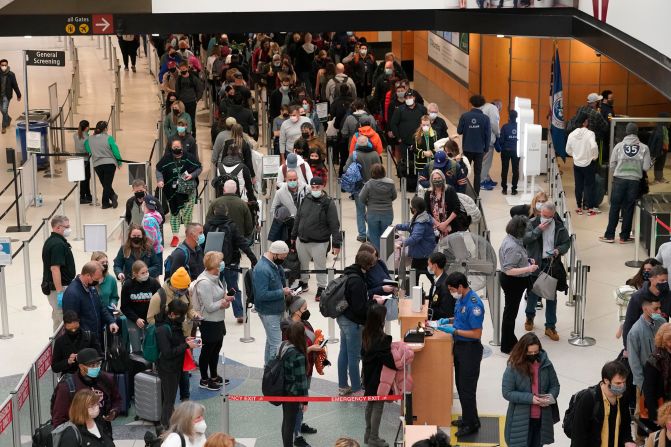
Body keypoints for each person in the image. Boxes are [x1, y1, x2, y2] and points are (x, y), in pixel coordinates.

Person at [435, 272, 485, 438]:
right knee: (461, 386)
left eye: (452, 289)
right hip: (459, 347)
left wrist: (454, 331)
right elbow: (459, 317)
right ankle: (469, 418)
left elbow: (477, 333)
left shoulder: (474, 304)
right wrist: (448, 321)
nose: (451, 292)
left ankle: (470, 425)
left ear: (461, 287)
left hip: (470, 350)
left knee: (467, 389)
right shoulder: (461, 299)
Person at [502, 333, 560, 447]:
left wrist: (549, 398)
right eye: (529, 353)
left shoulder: (546, 364)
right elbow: (507, 392)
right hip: (521, 420)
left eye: (535, 352)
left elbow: (555, 386)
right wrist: (531, 399)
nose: (533, 355)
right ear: (523, 351)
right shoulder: (513, 367)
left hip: (541, 420)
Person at [522, 202, 570, 341]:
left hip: (551, 264)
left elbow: (566, 243)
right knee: (532, 293)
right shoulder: (531, 223)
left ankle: (550, 326)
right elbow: (524, 239)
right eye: (544, 215)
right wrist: (538, 230)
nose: (546, 219)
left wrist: (558, 250)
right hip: (535, 264)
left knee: (551, 296)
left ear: (554, 215)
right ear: (540, 212)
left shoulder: (560, 227)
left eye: (549, 216)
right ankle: (529, 317)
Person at [203, 203, 258, 323]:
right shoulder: (231, 226)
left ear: (214, 213)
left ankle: (214, 310)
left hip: (213, 264)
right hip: (230, 262)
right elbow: (242, 243)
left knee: (213, 288)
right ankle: (239, 314)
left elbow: (203, 245)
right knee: (233, 287)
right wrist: (253, 258)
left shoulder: (207, 226)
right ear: (226, 213)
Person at [600, 123, 652, 244]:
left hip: (619, 180)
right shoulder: (644, 148)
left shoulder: (619, 146)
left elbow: (612, 164)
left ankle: (610, 235)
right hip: (634, 181)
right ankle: (624, 236)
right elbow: (645, 167)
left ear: (627, 132)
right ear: (637, 132)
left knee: (615, 207)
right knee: (629, 208)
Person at [51, 348, 121, 438]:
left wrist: (114, 411)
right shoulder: (67, 387)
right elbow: (58, 419)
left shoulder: (106, 379)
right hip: (79, 435)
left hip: (103, 431)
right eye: (92, 365)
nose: (96, 368)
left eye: (98, 364)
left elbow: (117, 399)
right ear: (81, 367)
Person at [291, 177, 342, 300]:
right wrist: (293, 236)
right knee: (302, 264)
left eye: (317, 187)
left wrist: (336, 243)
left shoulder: (328, 203)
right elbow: (298, 217)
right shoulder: (305, 199)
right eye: (313, 187)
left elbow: (334, 224)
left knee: (320, 266)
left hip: (319, 242)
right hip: (302, 240)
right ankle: (303, 283)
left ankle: (321, 287)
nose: (315, 189)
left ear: (322, 186)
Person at [283, 297, 322, 446]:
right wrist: (311, 349)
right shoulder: (290, 328)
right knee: (300, 402)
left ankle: (299, 424)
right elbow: (292, 350)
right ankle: (297, 434)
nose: (307, 311)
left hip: (307, 366)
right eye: (304, 308)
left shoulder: (304, 323)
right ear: (296, 310)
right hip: (299, 371)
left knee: (300, 404)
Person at [569, 361, 635, 447]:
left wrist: (627, 440)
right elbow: (578, 434)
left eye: (624, 382)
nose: (622, 386)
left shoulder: (623, 396)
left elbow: (625, 422)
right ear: (606, 380)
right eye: (618, 383)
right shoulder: (589, 399)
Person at [338, 250, 377, 396]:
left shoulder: (348, 273)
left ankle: (343, 385)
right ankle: (356, 388)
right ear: (366, 265)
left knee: (344, 353)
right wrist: (373, 302)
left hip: (343, 318)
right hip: (353, 322)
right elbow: (360, 308)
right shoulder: (358, 281)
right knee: (354, 356)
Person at [194, 252, 234, 391]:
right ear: (214, 265)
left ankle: (214, 376)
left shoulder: (215, 277)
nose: (222, 264)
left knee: (216, 349)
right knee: (207, 351)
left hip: (218, 320)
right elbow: (209, 306)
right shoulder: (204, 282)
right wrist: (223, 302)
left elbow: (219, 296)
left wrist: (225, 299)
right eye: (220, 262)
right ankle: (204, 379)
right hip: (209, 322)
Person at [157, 299, 200, 427]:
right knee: (168, 401)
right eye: (180, 315)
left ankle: (168, 422)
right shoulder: (162, 330)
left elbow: (175, 341)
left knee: (169, 398)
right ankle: (165, 426)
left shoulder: (174, 325)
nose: (182, 318)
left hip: (176, 366)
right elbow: (167, 353)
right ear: (171, 314)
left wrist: (185, 340)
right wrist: (186, 345)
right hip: (168, 369)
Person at [499, 216, 538, 354]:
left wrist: (526, 260)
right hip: (513, 282)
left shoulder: (512, 239)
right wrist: (529, 269)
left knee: (510, 312)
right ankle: (507, 345)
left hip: (514, 281)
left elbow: (516, 260)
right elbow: (509, 270)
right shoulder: (513, 246)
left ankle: (509, 341)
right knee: (510, 313)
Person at [156, 139, 202, 247]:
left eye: (178, 147)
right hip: (172, 191)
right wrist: (160, 180)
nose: (176, 149)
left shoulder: (189, 157)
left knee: (187, 214)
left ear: (182, 147)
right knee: (174, 214)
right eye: (174, 147)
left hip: (188, 191)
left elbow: (199, 167)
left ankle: (188, 235)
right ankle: (175, 236)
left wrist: (192, 175)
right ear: (171, 148)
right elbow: (158, 169)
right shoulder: (166, 159)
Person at [362, 304, 396, 447]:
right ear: (380, 320)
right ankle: (374, 438)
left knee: (370, 404)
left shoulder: (365, 333)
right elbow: (389, 361)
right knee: (378, 406)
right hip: (379, 378)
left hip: (367, 374)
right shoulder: (382, 339)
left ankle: (368, 434)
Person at [254, 241, 292, 365]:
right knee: (276, 345)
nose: (284, 260)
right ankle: (273, 373)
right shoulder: (262, 269)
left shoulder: (273, 264)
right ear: (275, 254)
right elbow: (261, 295)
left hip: (275, 310)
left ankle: (268, 370)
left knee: (271, 341)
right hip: (269, 312)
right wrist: (282, 292)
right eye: (282, 257)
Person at [62, 262, 119, 344]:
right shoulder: (72, 294)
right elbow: (71, 322)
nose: (98, 282)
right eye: (96, 279)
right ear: (88, 275)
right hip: (84, 342)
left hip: (95, 337)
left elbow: (101, 307)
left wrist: (111, 321)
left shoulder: (91, 287)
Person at [627, 296, 664, 408]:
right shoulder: (635, 332)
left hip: (661, 378)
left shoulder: (662, 322)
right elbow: (634, 363)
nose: (659, 312)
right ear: (645, 309)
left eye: (660, 308)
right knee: (644, 413)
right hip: (645, 381)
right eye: (656, 309)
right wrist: (643, 387)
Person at [344, 135, 383, 242]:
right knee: (372, 211)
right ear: (368, 143)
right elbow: (380, 170)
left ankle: (361, 235)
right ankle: (370, 234)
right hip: (373, 187)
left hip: (358, 187)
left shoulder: (354, 155)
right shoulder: (375, 154)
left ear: (357, 144)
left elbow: (345, 168)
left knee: (360, 211)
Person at [622, 265, 671, 348]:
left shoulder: (668, 295)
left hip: (660, 343)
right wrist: (627, 347)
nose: (664, 284)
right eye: (661, 280)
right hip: (642, 342)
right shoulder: (637, 297)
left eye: (666, 281)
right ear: (651, 279)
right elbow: (629, 323)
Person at [42, 215, 76, 331]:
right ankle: (62, 346)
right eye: (66, 227)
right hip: (58, 288)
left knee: (57, 318)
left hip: (56, 287)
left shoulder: (53, 241)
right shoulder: (58, 245)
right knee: (62, 319)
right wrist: (60, 291)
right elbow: (55, 269)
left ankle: (56, 345)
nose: (69, 229)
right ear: (57, 227)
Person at [390, 90, 428, 192]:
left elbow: (427, 122)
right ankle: (406, 185)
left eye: (410, 98)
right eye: (406, 98)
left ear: (414, 98)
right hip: (405, 142)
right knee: (406, 164)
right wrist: (398, 137)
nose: (408, 100)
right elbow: (393, 124)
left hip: (419, 143)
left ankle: (419, 184)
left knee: (419, 164)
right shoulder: (400, 110)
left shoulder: (422, 109)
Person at [120, 260, 161, 353]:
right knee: (136, 347)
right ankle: (137, 364)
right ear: (135, 274)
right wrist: (136, 319)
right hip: (134, 319)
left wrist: (154, 319)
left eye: (147, 271)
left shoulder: (154, 283)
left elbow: (161, 301)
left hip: (150, 319)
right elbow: (124, 307)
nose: (146, 274)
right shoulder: (128, 285)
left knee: (150, 346)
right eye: (142, 273)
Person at [395, 196, 437, 286]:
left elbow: (415, 238)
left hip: (421, 254)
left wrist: (402, 243)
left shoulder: (421, 223)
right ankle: (433, 286)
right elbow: (410, 226)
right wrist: (397, 226)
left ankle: (416, 292)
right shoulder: (423, 216)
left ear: (414, 209)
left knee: (416, 275)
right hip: (425, 251)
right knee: (424, 273)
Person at [281, 321, 309, 447]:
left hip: (282, 389)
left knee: (286, 420)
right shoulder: (298, 356)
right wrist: (305, 401)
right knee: (290, 423)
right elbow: (301, 381)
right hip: (293, 393)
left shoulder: (283, 346)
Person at [566, 112, 599, 215]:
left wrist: (575, 155)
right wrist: (594, 156)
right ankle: (589, 208)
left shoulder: (572, 134)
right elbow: (594, 146)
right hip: (588, 163)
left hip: (577, 164)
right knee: (589, 186)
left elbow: (567, 150)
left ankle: (579, 208)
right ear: (585, 122)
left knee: (578, 185)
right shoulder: (590, 134)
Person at [457, 95, 491, 196]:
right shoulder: (485, 118)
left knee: (464, 171)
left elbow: (459, 131)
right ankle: (476, 195)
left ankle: (463, 192)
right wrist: (486, 149)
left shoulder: (464, 116)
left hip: (467, 148)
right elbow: (487, 135)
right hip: (479, 150)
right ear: (482, 105)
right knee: (477, 173)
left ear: (471, 103)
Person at [84, 121, 122, 209]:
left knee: (105, 183)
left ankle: (113, 196)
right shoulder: (109, 138)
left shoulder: (89, 139)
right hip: (109, 163)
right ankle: (105, 203)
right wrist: (119, 162)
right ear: (105, 129)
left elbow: (88, 149)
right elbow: (115, 151)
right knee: (107, 184)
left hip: (97, 164)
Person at [359, 163, 397, 251]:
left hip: (372, 213)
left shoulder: (369, 184)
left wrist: (368, 203)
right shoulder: (390, 183)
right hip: (387, 212)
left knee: (374, 236)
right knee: (386, 235)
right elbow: (394, 196)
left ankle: (376, 255)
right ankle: (386, 256)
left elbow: (361, 197)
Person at [51, 310, 101, 375]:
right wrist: (68, 361)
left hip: (89, 374)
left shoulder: (89, 336)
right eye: (70, 329)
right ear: (65, 326)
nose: (73, 331)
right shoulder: (60, 342)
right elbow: (55, 367)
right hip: (70, 377)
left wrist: (88, 358)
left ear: (78, 322)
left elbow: (99, 355)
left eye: (76, 328)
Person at [424, 169, 470, 237]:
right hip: (435, 227)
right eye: (435, 179)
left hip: (451, 225)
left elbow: (457, 208)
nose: (437, 180)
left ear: (443, 178)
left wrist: (445, 224)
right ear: (431, 180)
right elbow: (426, 212)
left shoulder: (450, 190)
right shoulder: (428, 193)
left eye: (439, 178)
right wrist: (439, 225)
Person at [643, 323, 671, 427]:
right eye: (670, 339)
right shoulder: (654, 361)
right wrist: (655, 415)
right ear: (664, 341)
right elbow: (648, 390)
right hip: (661, 405)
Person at [175, 61, 203, 138]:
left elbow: (200, 88)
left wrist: (197, 99)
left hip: (191, 101)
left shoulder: (193, 78)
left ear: (187, 68)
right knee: (182, 119)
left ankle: (193, 136)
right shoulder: (179, 79)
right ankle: (181, 135)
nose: (183, 70)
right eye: (181, 69)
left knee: (192, 119)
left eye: (184, 68)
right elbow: (177, 90)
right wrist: (178, 100)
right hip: (182, 103)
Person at [478, 99, 502, 191]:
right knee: (486, 162)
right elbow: (494, 124)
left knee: (483, 161)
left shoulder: (485, 106)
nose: (499, 111)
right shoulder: (493, 108)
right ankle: (482, 182)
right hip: (488, 141)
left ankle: (486, 178)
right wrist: (498, 134)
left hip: (481, 139)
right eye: (500, 109)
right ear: (498, 106)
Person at [427, 252, 455, 321]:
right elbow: (433, 298)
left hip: (440, 322)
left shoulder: (445, 286)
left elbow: (445, 312)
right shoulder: (437, 279)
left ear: (435, 266)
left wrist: (428, 311)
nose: (428, 267)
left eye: (429, 264)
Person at [499, 110, 519, 195]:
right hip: (516, 151)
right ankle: (514, 189)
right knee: (515, 170)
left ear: (509, 117)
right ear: (516, 117)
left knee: (504, 169)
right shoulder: (519, 127)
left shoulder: (505, 127)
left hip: (506, 150)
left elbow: (501, 140)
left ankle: (504, 189)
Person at [142, 194, 164, 266]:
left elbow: (150, 240)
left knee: (151, 276)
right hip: (157, 250)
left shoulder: (148, 221)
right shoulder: (155, 216)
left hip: (151, 253)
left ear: (144, 204)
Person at [74, 119, 92, 204]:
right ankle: (83, 196)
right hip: (86, 160)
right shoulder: (87, 138)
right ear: (87, 127)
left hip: (78, 159)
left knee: (82, 178)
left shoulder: (75, 135)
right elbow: (89, 150)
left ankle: (88, 195)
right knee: (86, 179)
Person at [0, 59, 21, 134]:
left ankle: (3, 126)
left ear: (7, 65)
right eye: (2, 65)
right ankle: (8, 119)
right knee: (2, 110)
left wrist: (19, 95)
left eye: (5, 65)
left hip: (7, 95)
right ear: (0, 65)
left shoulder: (11, 74)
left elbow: (15, 85)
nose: (4, 66)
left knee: (4, 110)